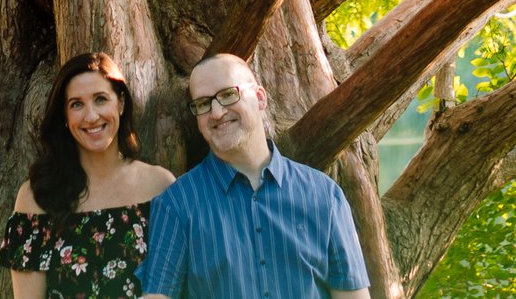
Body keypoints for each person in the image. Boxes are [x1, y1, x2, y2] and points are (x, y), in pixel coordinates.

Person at [139, 53, 371, 299]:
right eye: (203, 103)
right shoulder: (177, 204)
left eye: (228, 95)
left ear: (260, 98)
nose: (216, 113)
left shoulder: (324, 194)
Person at [2, 51, 178, 298]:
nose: (91, 116)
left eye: (100, 99)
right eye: (76, 104)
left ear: (121, 103)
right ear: (65, 116)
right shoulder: (36, 199)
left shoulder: (160, 186)